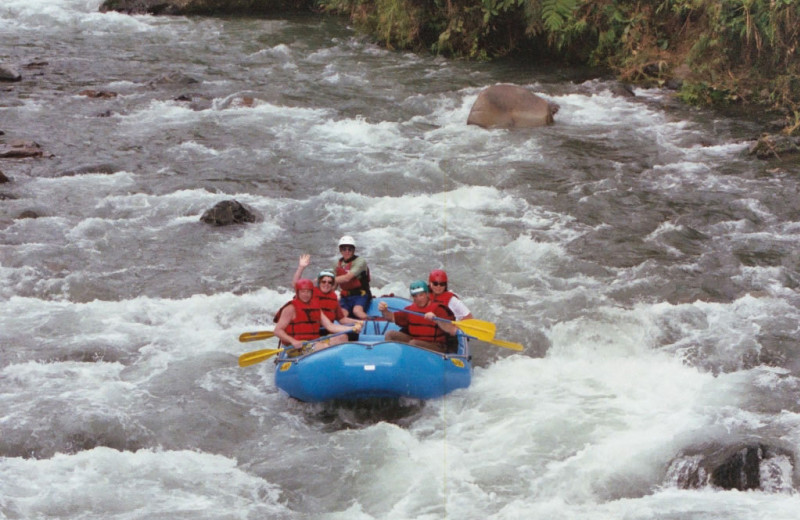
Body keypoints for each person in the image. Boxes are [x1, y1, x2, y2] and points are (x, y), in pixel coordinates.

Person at [273, 279, 360, 352]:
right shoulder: (290, 308)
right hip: (296, 346)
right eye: (303, 292)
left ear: (312, 293)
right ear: (298, 292)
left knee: (342, 337)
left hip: (314, 340)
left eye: (308, 292)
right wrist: (293, 341)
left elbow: (330, 326)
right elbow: (277, 331)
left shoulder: (316, 307)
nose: (306, 294)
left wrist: (352, 329)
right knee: (324, 347)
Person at [378, 280, 458, 353]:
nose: (418, 299)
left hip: (437, 346)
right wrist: (384, 311)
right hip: (415, 341)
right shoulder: (410, 309)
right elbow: (391, 317)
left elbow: (452, 330)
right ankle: (391, 359)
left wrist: (437, 320)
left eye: (421, 295)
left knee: (414, 343)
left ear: (427, 294)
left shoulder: (438, 309)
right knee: (390, 334)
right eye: (415, 296)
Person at [292, 254, 361, 335]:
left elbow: (342, 320)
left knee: (351, 336)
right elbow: (296, 284)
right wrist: (301, 267)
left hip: (327, 329)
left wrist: (359, 322)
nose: (326, 284)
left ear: (333, 284)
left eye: (330, 282)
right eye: (323, 281)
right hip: (310, 331)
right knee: (343, 336)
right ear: (319, 283)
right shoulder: (310, 293)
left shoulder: (333, 297)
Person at [334, 235, 371, 320]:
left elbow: (347, 278)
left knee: (357, 311)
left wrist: (328, 278)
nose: (347, 252)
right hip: (346, 297)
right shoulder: (337, 263)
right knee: (342, 315)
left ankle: (370, 323)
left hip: (361, 295)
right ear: (340, 250)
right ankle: (351, 328)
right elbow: (334, 284)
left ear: (353, 250)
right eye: (344, 249)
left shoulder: (360, 261)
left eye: (350, 249)